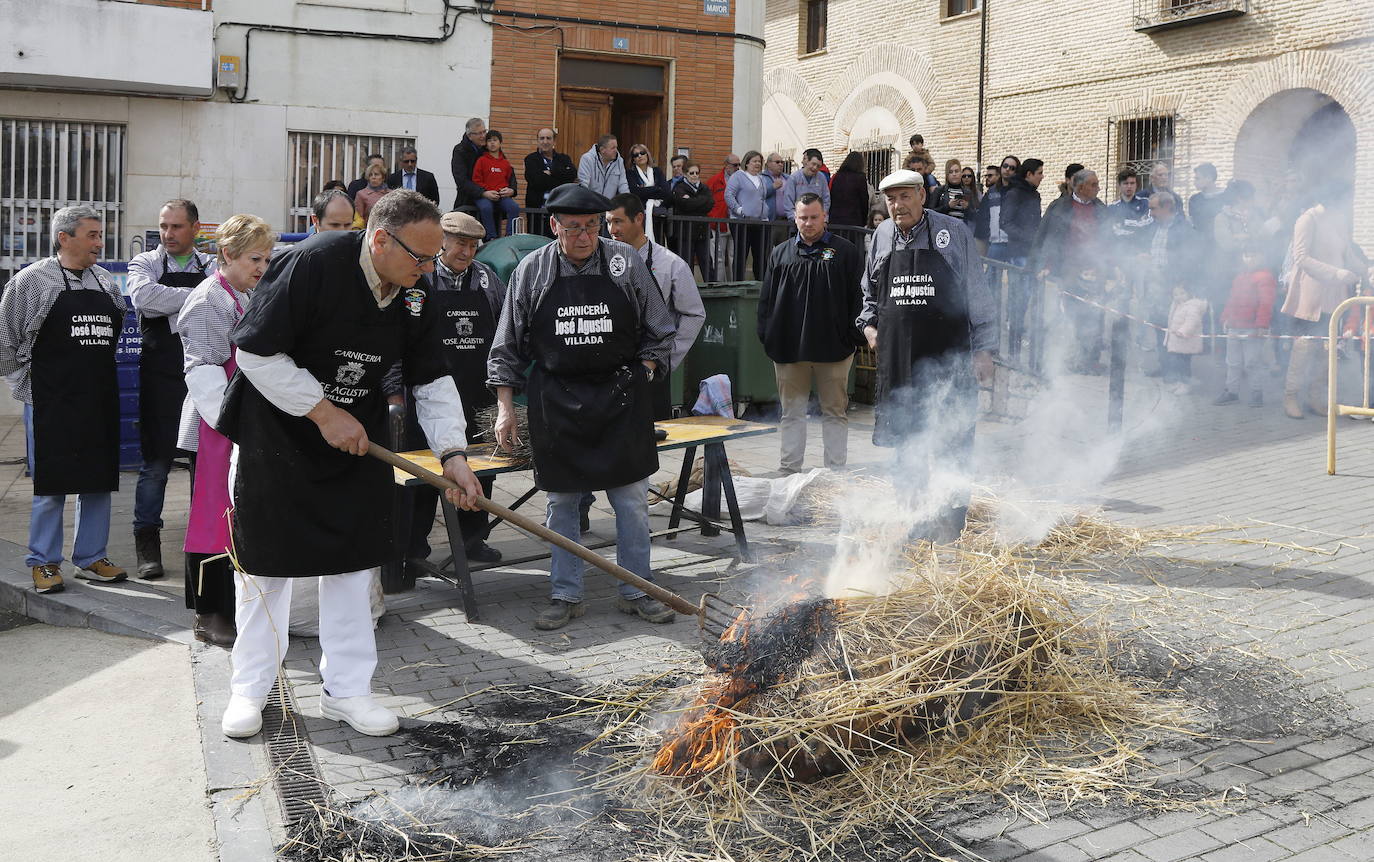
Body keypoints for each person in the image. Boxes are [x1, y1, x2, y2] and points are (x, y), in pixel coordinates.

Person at [216, 190, 483, 739]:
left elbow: (431, 379)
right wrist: (322, 412)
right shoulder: (312, 264)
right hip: (276, 433)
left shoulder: (415, 294)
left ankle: (348, 691)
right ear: (380, 238)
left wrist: (453, 455)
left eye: (435, 258)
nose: (429, 268)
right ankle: (251, 689)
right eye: (421, 256)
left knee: (354, 566)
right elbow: (255, 352)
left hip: (356, 439)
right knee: (266, 570)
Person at [487, 184, 676, 631]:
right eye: (572, 228)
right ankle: (566, 594)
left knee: (630, 502)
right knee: (562, 503)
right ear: (553, 226)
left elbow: (660, 329)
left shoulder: (623, 262)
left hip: (620, 398)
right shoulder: (531, 272)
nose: (584, 237)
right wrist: (505, 408)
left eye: (591, 227)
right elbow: (506, 347)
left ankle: (637, 590)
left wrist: (644, 371)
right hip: (558, 401)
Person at [858, 171, 996, 543]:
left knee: (952, 440)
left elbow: (978, 294)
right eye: (891, 199)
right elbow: (869, 293)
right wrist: (869, 327)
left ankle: (952, 525)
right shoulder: (881, 236)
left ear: (921, 195)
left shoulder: (953, 233)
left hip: (949, 358)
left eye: (904, 197)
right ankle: (913, 518)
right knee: (907, 443)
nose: (897, 205)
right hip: (899, 362)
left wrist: (983, 349)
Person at [0, 206, 129, 595]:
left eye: (99, 234)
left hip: (98, 397)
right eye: (91, 234)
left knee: (97, 478)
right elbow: (5, 342)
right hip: (49, 401)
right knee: (51, 483)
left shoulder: (105, 282)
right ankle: (43, 562)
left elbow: (116, 329)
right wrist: (28, 386)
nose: (99, 242)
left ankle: (91, 558)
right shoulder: (31, 282)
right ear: (64, 237)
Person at [176, 214, 275, 647]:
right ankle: (207, 612)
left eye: (268, 259)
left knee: (235, 517)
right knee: (211, 519)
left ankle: (234, 604)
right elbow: (202, 372)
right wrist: (233, 426)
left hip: (242, 424)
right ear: (227, 254)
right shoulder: (206, 302)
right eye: (255, 258)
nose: (262, 267)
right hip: (215, 424)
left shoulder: (245, 294)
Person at [393, 211, 507, 568]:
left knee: (477, 468)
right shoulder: (420, 278)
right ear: (442, 241)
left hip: (477, 390)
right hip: (426, 391)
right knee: (424, 472)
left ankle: (474, 540)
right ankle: (414, 549)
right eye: (460, 243)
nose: (467, 252)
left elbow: (504, 329)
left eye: (473, 245)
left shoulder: (488, 281)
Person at [126, 199, 216, 579]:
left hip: (201, 382)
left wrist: (171, 305)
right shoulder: (144, 263)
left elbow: (224, 296)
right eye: (164, 226)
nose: (168, 234)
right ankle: (148, 545)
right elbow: (143, 297)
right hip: (159, 380)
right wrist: (197, 300)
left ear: (195, 228)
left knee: (203, 466)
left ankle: (202, 546)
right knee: (156, 467)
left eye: (177, 227)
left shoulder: (211, 266)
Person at [758, 193, 863, 473]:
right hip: (789, 350)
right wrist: (768, 336)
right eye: (803, 217)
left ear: (825, 215)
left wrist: (853, 338)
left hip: (835, 350)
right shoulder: (780, 253)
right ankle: (789, 470)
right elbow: (766, 301)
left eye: (814, 217)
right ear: (795, 217)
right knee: (792, 413)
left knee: (834, 413)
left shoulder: (846, 252)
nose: (808, 223)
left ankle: (835, 472)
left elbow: (859, 298)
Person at [606, 193, 706, 418]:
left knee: (652, 444)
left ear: (639, 219)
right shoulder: (603, 263)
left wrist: (667, 358)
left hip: (651, 371)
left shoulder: (671, 265)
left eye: (618, 221)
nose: (612, 230)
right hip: (610, 371)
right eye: (608, 222)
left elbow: (694, 314)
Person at [1280, 187, 1362, 419]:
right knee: (1302, 350)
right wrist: (1336, 273)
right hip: (1310, 296)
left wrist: (1366, 268)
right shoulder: (1307, 219)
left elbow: (1348, 254)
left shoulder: (1339, 220)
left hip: (1334, 298)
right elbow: (1301, 258)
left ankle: (1315, 397)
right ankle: (1291, 396)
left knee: (1327, 352)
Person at [1030, 169, 1112, 373]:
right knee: (1069, 315)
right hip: (1068, 270)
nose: (1098, 188)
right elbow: (1047, 238)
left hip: (1095, 270)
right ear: (1080, 186)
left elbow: (1109, 240)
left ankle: (1090, 360)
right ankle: (1068, 357)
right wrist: (1044, 265)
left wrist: (1110, 267)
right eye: (1093, 184)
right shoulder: (1059, 207)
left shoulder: (1100, 208)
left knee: (1095, 315)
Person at [1138, 190, 1198, 375]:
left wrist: (1179, 284)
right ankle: (1165, 368)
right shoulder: (1153, 227)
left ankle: (1181, 374)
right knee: (1159, 328)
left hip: (1175, 288)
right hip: (1155, 287)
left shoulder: (1184, 229)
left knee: (1179, 331)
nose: (1151, 213)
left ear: (1166, 207)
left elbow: (1189, 260)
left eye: (1154, 209)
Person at [1214, 245, 1276, 408]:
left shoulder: (1265, 277)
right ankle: (1231, 392)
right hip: (1235, 325)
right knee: (1232, 362)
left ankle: (1257, 393)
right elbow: (1232, 299)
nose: (1249, 259)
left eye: (1253, 255)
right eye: (1246, 255)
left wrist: (1262, 325)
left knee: (1252, 362)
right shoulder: (1240, 277)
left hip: (1252, 327)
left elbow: (1266, 303)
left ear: (1261, 256)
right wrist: (1226, 318)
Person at [1001, 159, 1045, 359]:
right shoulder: (1014, 194)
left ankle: (1031, 353)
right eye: (1039, 173)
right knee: (1018, 301)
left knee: (1031, 300)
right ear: (1028, 174)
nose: (1042, 176)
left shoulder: (1035, 195)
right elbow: (1006, 223)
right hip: (1018, 254)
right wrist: (1029, 238)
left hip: (1033, 255)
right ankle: (1013, 352)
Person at [725, 150, 776, 280]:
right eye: (754, 161)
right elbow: (729, 195)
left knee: (760, 255)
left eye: (759, 161)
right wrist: (739, 209)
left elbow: (762, 198)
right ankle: (738, 283)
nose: (757, 164)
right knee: (741, 255)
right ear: (747, 163)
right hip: (742, 222)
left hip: (760, 222)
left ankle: (761, 285)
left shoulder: (761, 179)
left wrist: (765, 214)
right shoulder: (738, 176)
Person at [669, 160, 716, 281]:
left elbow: (710, 203)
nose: (695, 175)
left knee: (707, 263)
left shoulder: (704, 187)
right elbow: (684, 206)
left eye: (697, 172)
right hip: (686, 232)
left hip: (702, 232)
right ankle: (687, 290)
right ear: (685, 174)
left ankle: (712, 289)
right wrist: (701, 201)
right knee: (686, 263)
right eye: (691, 173)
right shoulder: (679, 188)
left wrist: (692, 201)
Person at [471, 129, 521, 240]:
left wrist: (509, 190)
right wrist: (487, 191)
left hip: (501, 196)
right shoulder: (481, 160)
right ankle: (491, 237)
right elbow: (476, 180)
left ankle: (510, 236)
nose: (492, 143)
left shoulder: (505, 163)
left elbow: (510, 181)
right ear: (486, 144)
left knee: (514, 207)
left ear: (500, 143)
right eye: (489, 141)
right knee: (486, 207)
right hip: (485, 195)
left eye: (495, 140)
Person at [523, 127, 578, 222]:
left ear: (554, 141)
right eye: (542, 138)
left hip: (560, 211)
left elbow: (572, 175)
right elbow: (537, 182)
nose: (545, 141)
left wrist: (551, 172)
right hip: (537, 212)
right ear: (537, 141)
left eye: (548, 138)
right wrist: (561, 179)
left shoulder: (564, 158)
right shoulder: (531, 159)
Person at [1162, 283, 1207, 393]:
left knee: (1183, 365)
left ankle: (1186, 385)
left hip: (1186, 342)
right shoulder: (1176, 305)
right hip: (1177, 342)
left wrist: (1183, 331)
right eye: (1175, 294)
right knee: (1176, 364)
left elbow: (1192, 321)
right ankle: (1179, 383)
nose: (1178, 296)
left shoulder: (1192, 306)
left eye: (1182, 293)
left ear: (1189, 293)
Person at [973, 154, 1019, 257]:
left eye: (1012, 168)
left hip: (1013, 244)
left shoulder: (1019, 192)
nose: (1007, 169)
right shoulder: (991, 192)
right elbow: (983, 217)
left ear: (1016, 172)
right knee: (991, 272)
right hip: (994, 243)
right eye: (1005, 166)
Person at [626, 144, 670, 242]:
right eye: (636, 155)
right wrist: (656, 188)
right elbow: (635, 192)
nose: (640, 156)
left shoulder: (657, 171)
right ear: (633, 159)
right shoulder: (630, 173)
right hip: (639, 214)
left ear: (647, 155)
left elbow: (666, 192)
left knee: (658, 244)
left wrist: (645, 190)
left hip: (657, 216)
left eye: (642, 153)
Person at [707, 154, 740, 277]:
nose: (738, 168)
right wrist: (712, 216)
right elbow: (706, 200)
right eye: (735, 165)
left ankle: (736, 285)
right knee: (718, 257)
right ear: (726, 165)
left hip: (735, 222)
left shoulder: (742, 180)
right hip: (718, 223)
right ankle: (719, 286)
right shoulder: (715, 181)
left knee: (734, 257)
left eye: (739, 165)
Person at [450, 117, 488, 214]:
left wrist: (511, 189)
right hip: (467, 203)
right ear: (470, 136)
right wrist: (482, 193)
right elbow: (461, 180)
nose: (483, 136)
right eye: (479, 133)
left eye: (484, 131)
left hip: (490, 204)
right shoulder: (460, 150)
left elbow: (505, 168)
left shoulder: (490, 148)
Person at [828, 151, 871, 231]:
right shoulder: (860, 178)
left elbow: (831, 196)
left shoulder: (837, 176)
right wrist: (864, 220)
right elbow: (864, 200)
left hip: (835, 221)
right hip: (854, 222)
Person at [578, 134, 630, 198]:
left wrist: (628, 201)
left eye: (616, 147)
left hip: (609, 205)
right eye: (613, 148)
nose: (616, 150)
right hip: (591, 204)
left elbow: (623, 185)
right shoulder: (587, 159)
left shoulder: (619, 161)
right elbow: (583, 184)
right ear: (602, 150)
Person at [782, 148, 831, 214]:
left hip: (816, 220)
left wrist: (823, 218)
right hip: (798, 220)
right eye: (813, 164)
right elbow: (788, 202)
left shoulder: (822, 178)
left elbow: (826, 200)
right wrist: (794, 218)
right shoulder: (794, 178)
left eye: (818, 166)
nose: (815, 168)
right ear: (807, 162)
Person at [1189, 162, 1224, 243]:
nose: (1194, 182)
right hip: (1201, 246)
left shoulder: (1226, 197)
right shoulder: (1194, 199)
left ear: (1209, 178)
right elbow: (1195, 225)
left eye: (1197, 178)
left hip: (1221, 245)